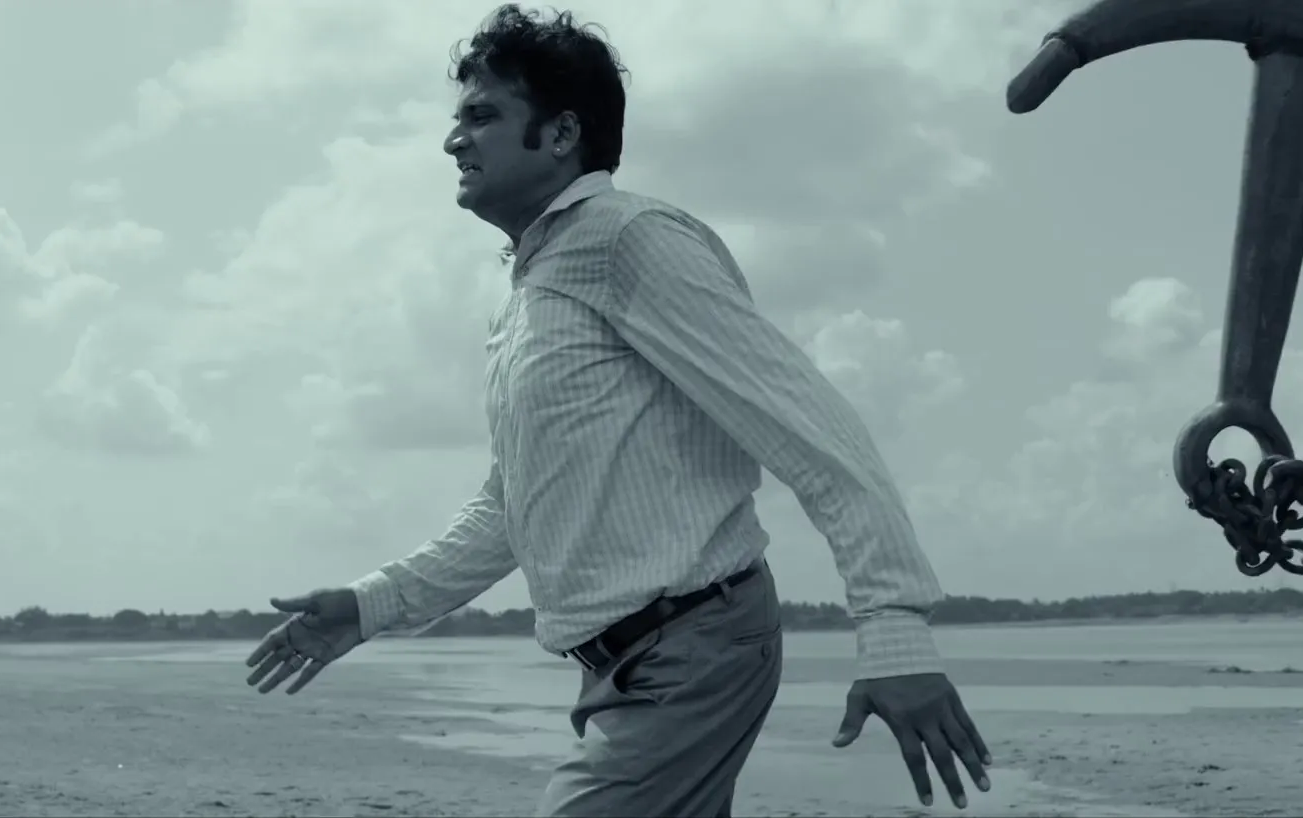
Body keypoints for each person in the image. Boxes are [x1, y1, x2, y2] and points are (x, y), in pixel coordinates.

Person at [245, 5, 992, 816]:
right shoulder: (529, 292)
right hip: (622, 667)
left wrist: (895, 632)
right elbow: (512, 505)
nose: (453, 141)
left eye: (482, 116)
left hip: (692, 648)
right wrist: (372, 604)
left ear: (563, 133)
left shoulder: (628, 238)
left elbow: (815, 433)